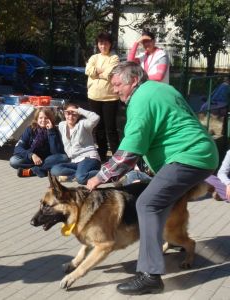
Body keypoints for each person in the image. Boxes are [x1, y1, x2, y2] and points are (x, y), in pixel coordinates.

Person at [86, 61, 218, 295]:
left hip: (188, 156)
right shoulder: (162, 88)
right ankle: (175, 242)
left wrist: (100, 176)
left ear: (134, 81)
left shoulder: (141, 99)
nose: (114, 90)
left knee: (147, 203)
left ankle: (150, 275)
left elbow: (130, 148)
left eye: (117, 85)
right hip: (201, 153)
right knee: (157, 203)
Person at [85, 32, 120, 162]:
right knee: (98, 127)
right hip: (94, 97)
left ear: (110, 44)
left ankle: (116, 156)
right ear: (97, 44)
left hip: (110, 98)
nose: (103, 45)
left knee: (110, 128)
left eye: (105, 43)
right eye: (100, 43)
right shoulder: (93, 57)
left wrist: (96, 73)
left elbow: (111, 72)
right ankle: (102, 153)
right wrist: (102, 72)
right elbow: (88, 70)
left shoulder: (114, 58)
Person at [9, 108, 68, 178]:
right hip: (32, 159)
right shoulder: (30, 129)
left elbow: (56, 152)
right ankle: (45, 168)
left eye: (46, 118)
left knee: (63, 158)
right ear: (37, 119)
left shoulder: (54, 131)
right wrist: (31, 155)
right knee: (14, 161)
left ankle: (32, 171)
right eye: (40, 118)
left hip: (46, 159)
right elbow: (18, 148)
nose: (43, 120)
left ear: (50, 119)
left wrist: (51, 132)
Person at [50, 103, 101, 184]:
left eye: (74, 114)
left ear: (78, 115)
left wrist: (79, 110)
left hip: (89, 158)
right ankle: (77, 175)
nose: (70, 117)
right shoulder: (61, 125)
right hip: (75, 162)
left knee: (81, 179)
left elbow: (96, 118)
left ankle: (106, 173)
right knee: (55, 170)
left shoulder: (83, 124)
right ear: (64, 113)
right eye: (68, 113)